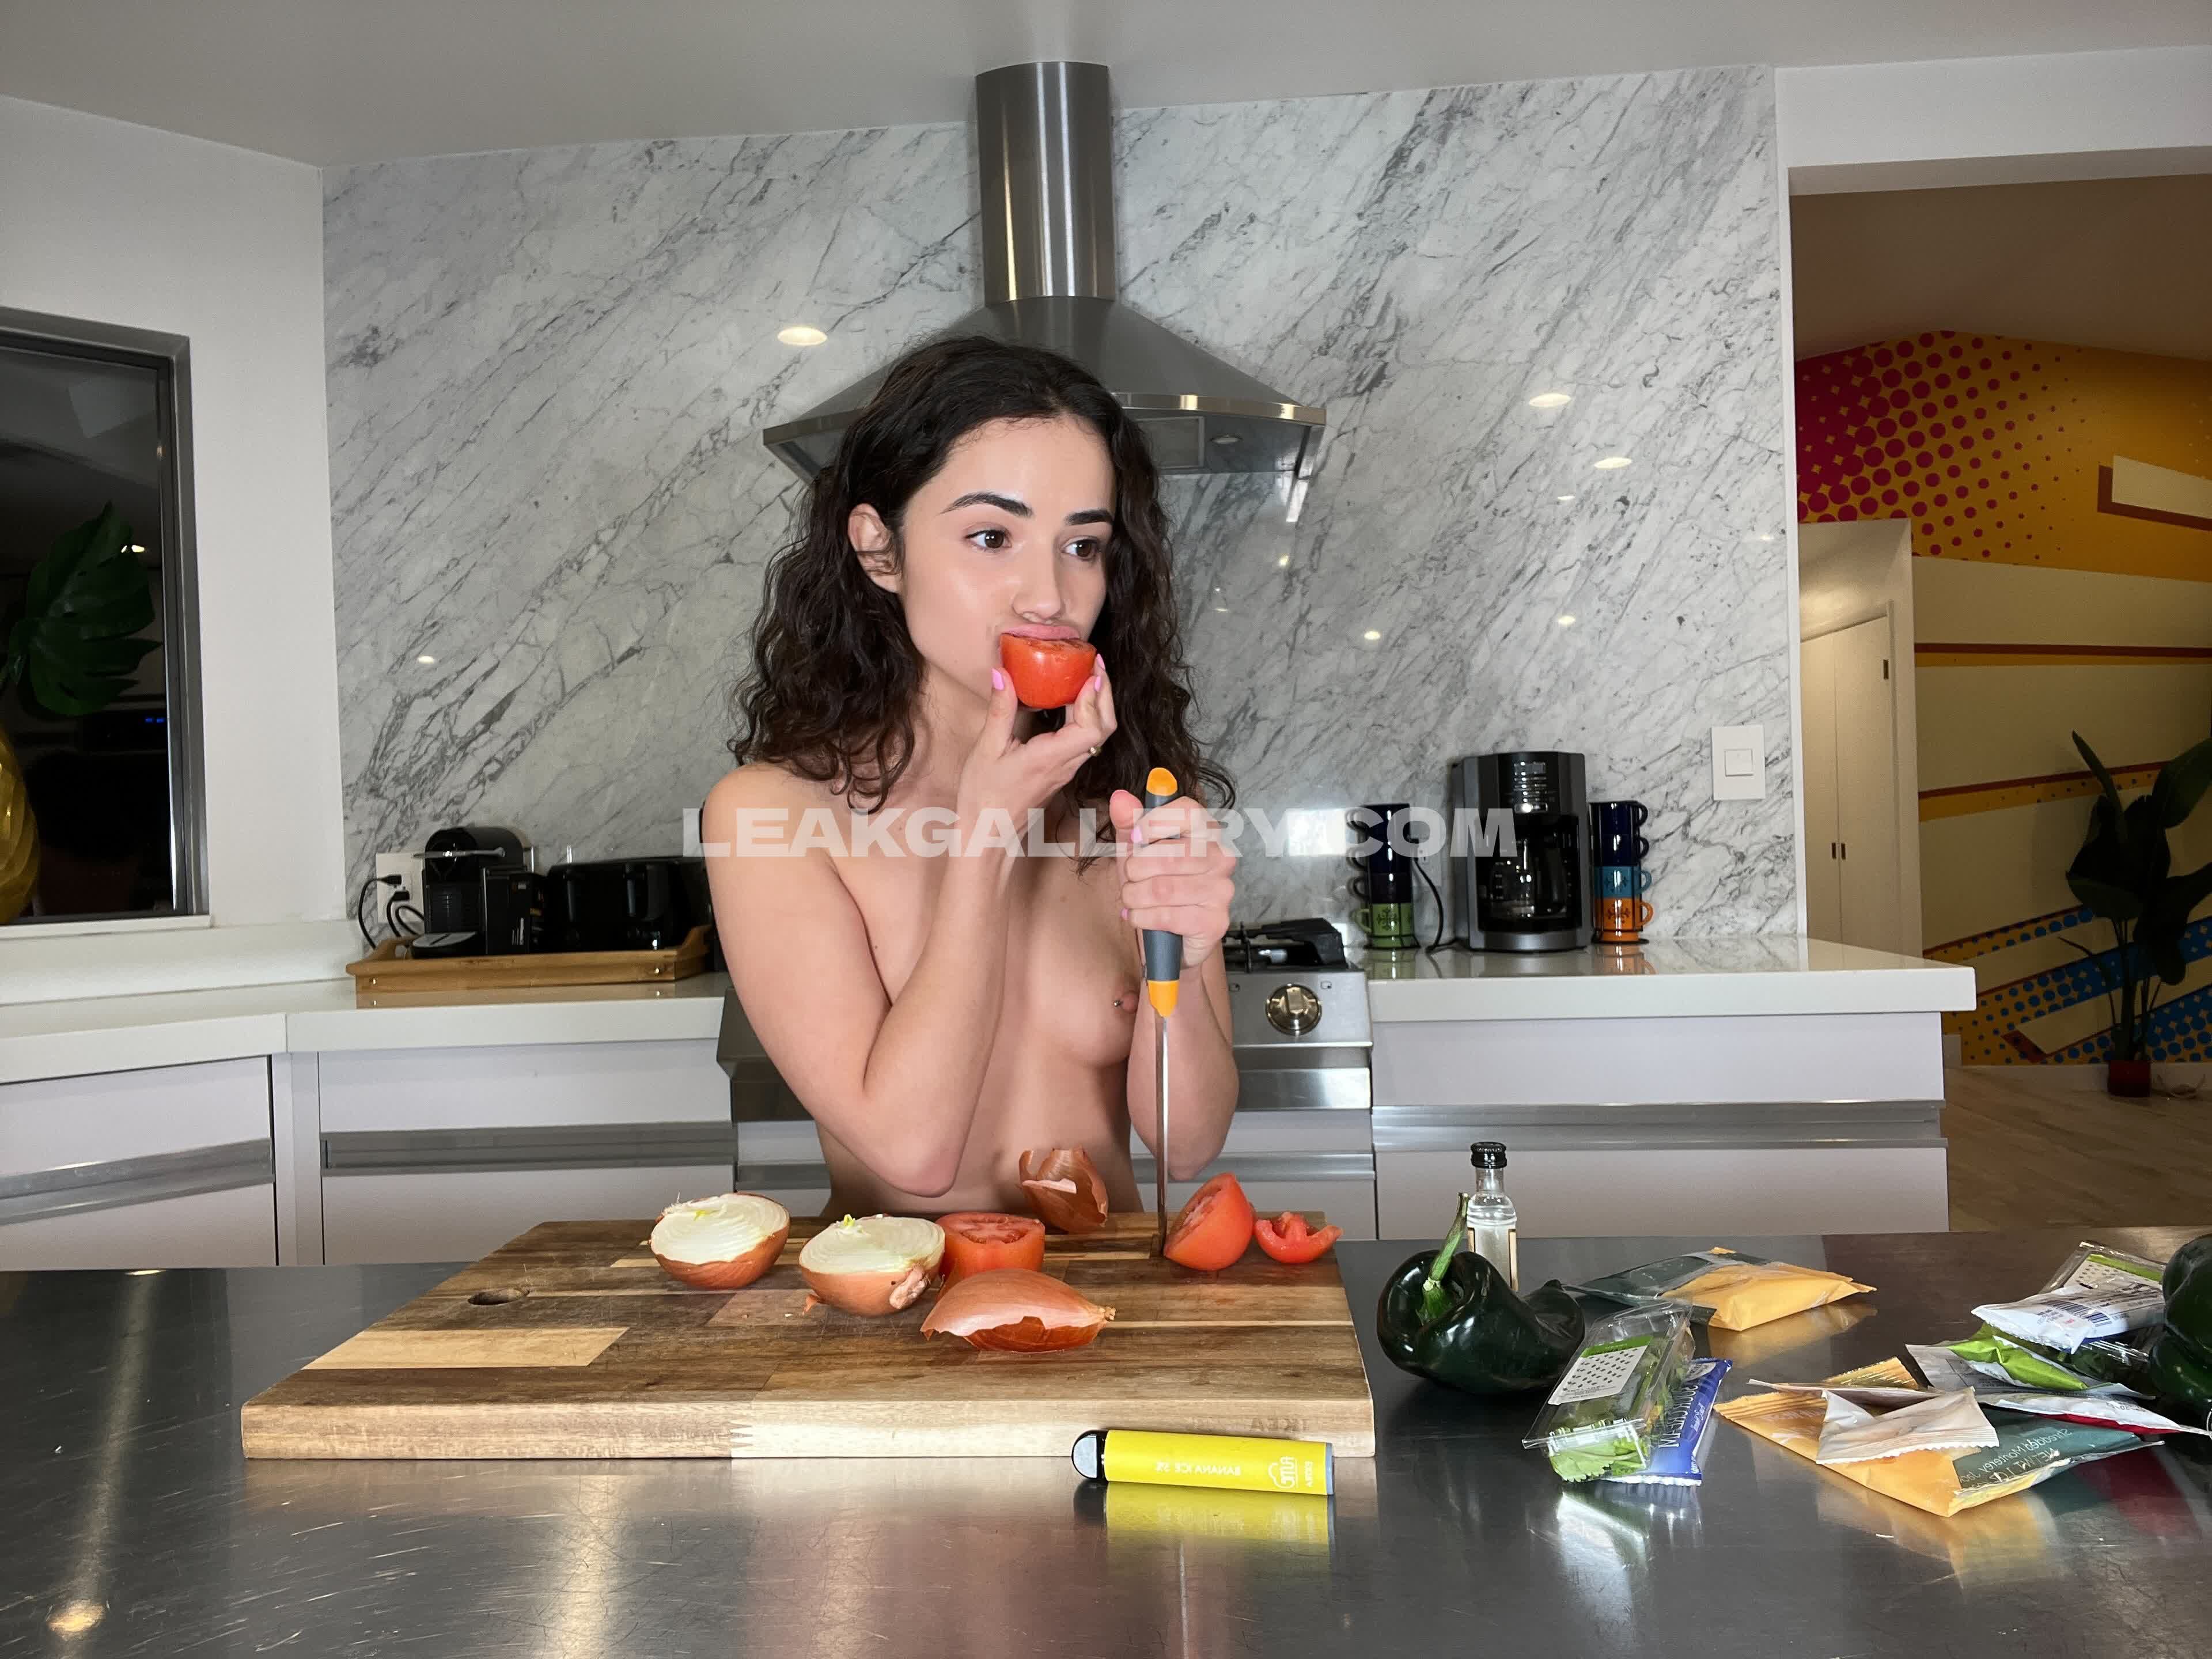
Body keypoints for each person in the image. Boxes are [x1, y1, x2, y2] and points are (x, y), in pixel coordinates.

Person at [703, 335, 1240, 1219]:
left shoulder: (1131, 803)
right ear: (879, 549)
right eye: (992, 537)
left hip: (1109, 1298)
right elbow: (913, 1153)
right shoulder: (770, 815)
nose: (1050, 596)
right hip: (906, 1300)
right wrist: (985, 837)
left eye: (1084, 545)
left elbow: (1188, 1140)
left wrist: (1190, 941)